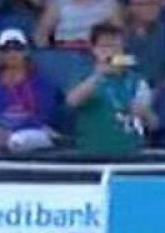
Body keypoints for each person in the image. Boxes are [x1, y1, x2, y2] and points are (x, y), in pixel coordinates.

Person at [65, 21, 155, 154]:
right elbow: (72, 101)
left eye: (116, 46)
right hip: (93, 153)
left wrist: (145, 113)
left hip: (131, 153)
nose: (111, 51)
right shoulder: (84, 75)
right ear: (94, 49)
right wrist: (98, 75)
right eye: (105, 47)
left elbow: (153, 124)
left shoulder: (137, 80)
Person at [0, 28, 57, 153]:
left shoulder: (41, 82)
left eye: (18, 48)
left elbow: (44, 115)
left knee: (17, 141)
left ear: (26, 51)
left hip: (33, 129)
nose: (12, 53)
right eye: (6, 49)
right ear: (0, 53)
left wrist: (15, 128)